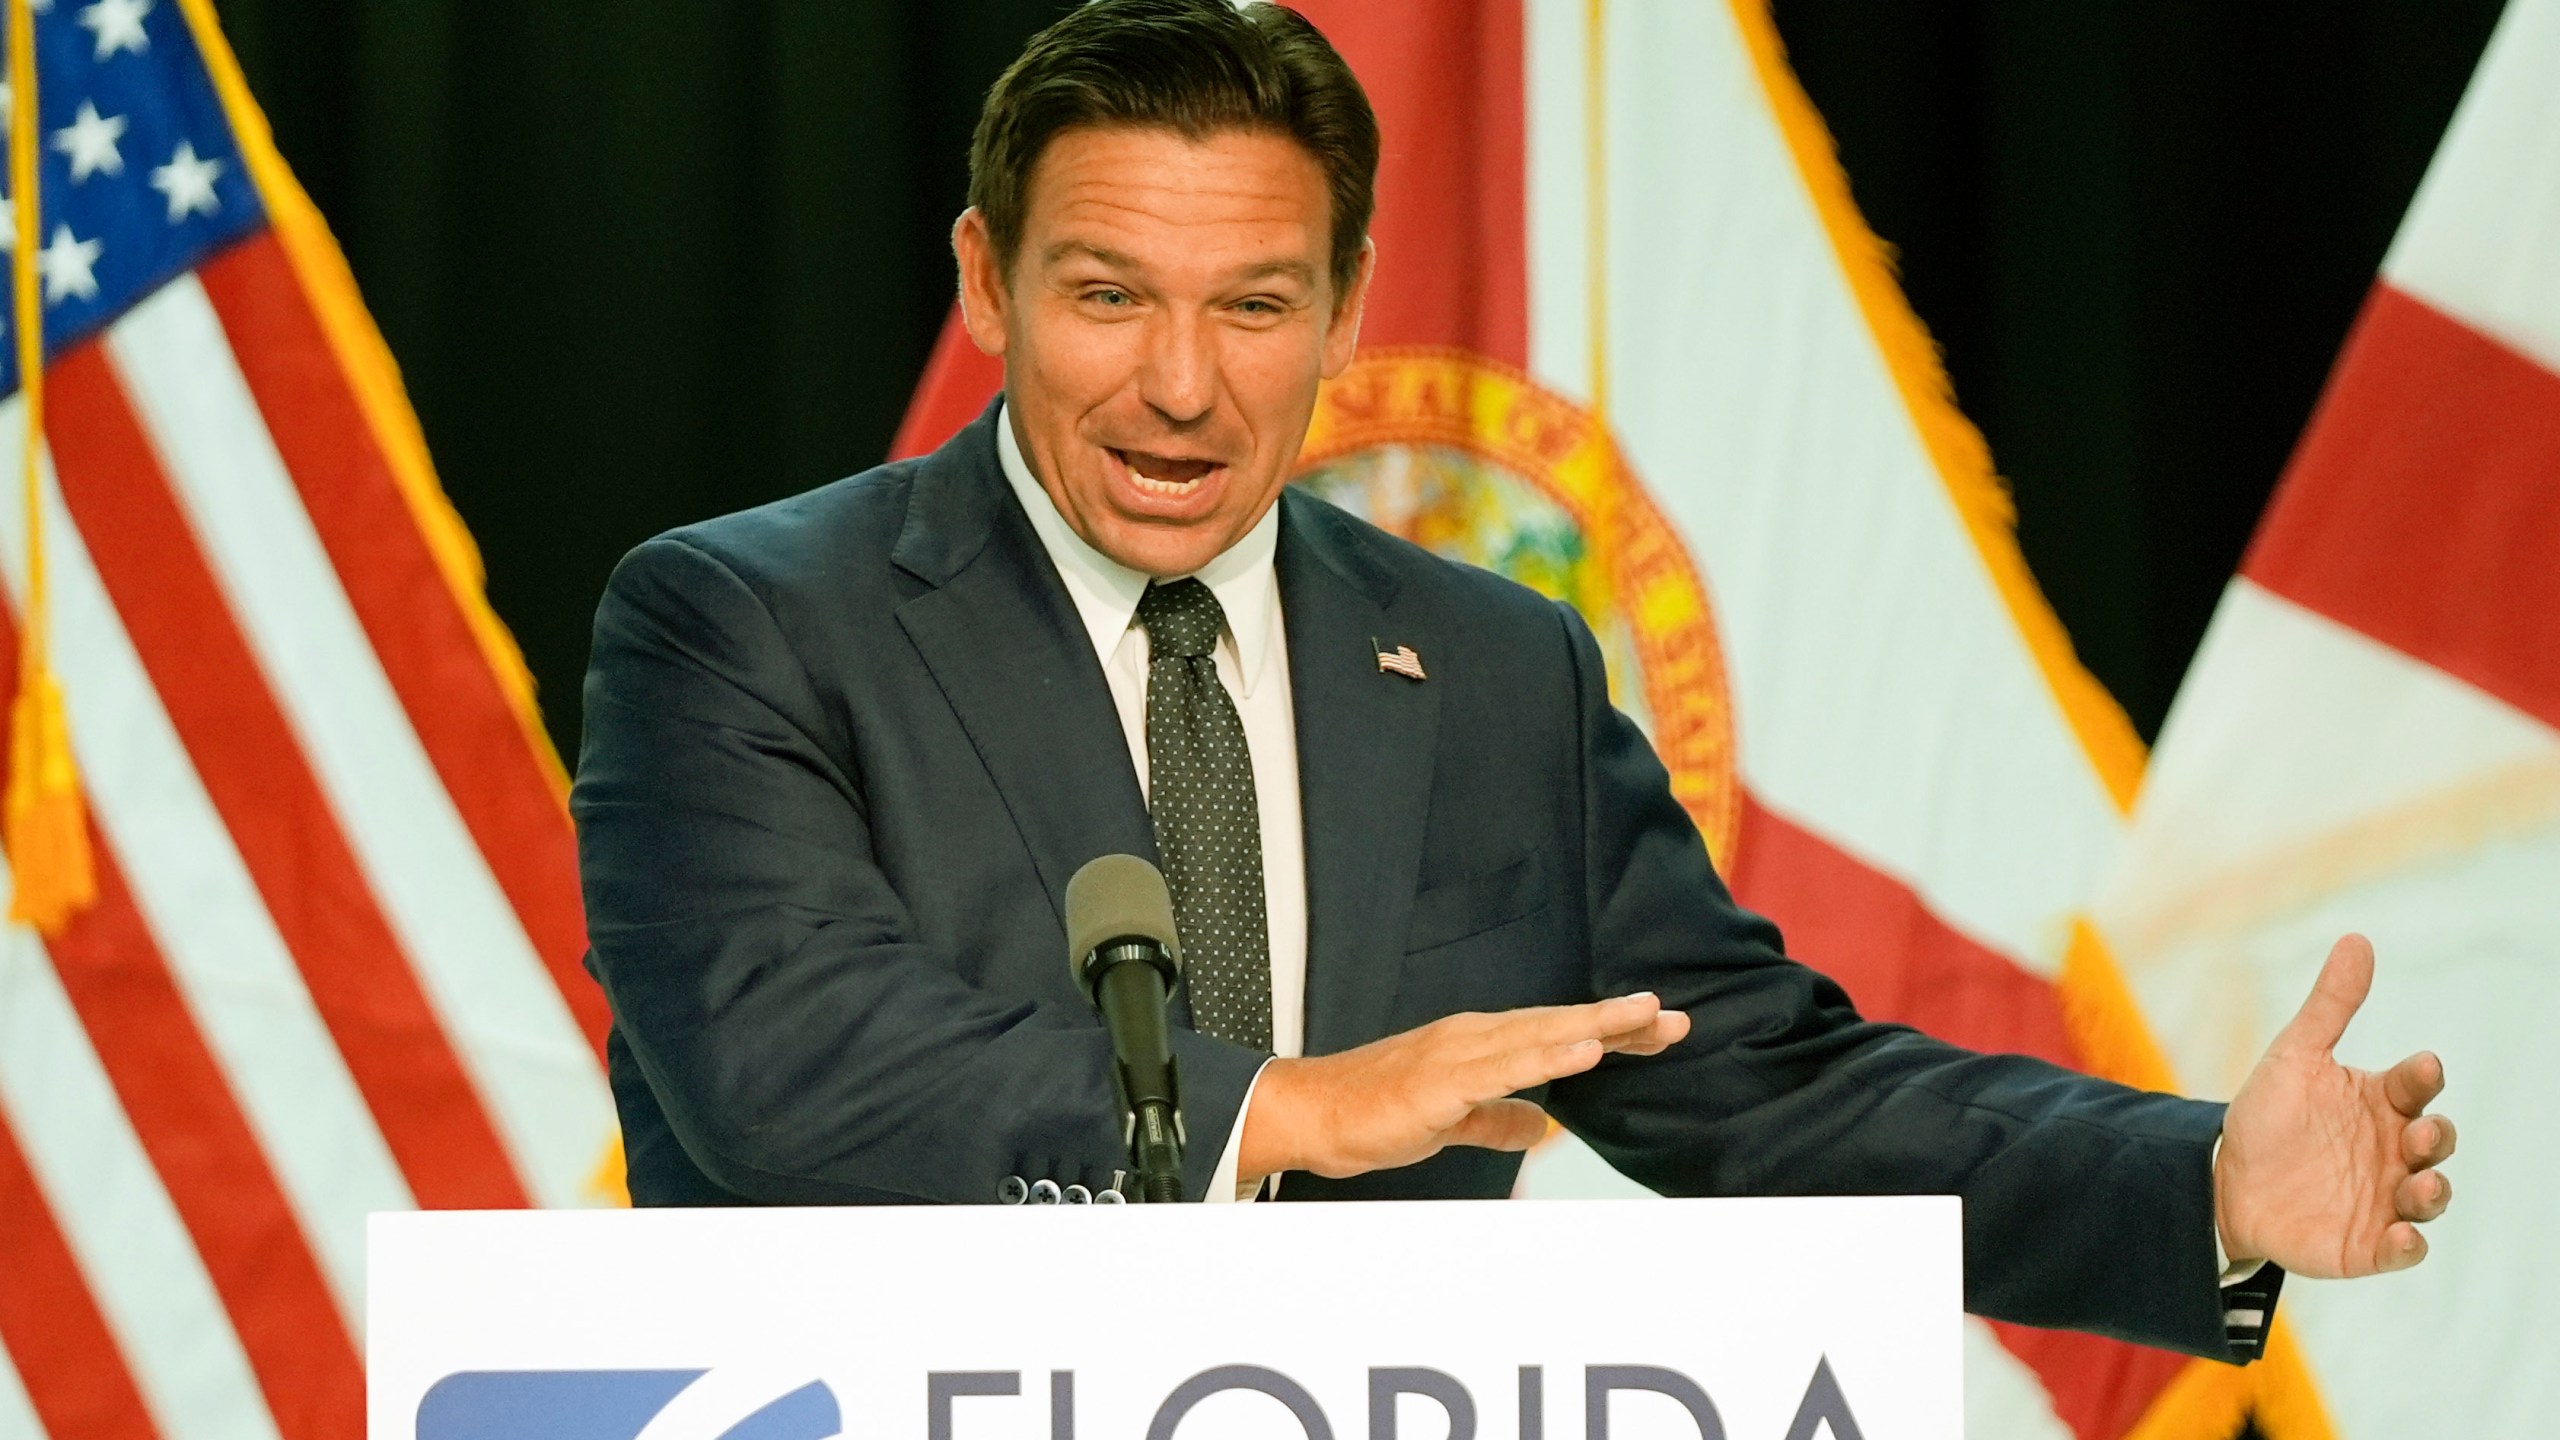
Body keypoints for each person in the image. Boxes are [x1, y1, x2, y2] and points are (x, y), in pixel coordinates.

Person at [572, 0, 2455, 1362]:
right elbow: (787, 1070)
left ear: (1349, 308)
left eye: (1252, 305)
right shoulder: (742, 621)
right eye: (1107, 294)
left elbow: (1758, 1091)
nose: (1179, 383)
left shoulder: (1490, 667)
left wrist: (2201, 1185)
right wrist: (1288, 1109)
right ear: (986, 283)